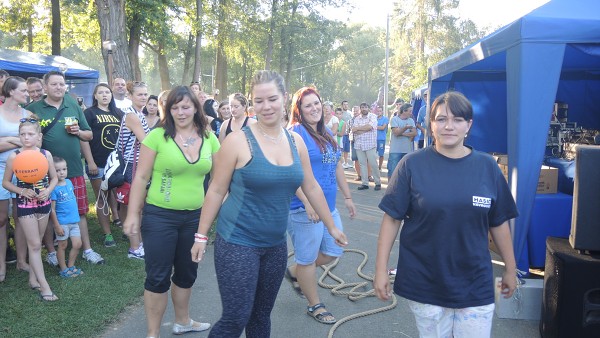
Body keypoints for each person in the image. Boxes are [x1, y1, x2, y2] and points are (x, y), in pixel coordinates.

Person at [190, 70, 348, 337]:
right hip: (238, 241)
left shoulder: (295, 140)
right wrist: (201, 236)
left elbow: (310, 186)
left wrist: (331, 226)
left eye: (272, 99)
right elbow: (216, 190)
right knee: (236, 316)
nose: (266, 107)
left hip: (275, 245)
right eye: (258, 101)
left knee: (261, 317)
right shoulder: (237, 141)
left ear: (284, 99)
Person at [374, 91, 518, 338]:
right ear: (431, 124)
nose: (449, 126)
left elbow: (499, 222)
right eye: (441, 119)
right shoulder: (411, 165)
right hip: (425, 279)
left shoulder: (487, 167)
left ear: (468, 125)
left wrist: (511, 268)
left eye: (458, 119)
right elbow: (392, 219)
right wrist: (380, 270)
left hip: (475, 282)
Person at [122, 85, 218, 337]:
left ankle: (182, 321)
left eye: (186, 106)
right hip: (159, 217)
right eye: (174, 107)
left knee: (187, 272)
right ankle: (153, 333)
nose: (180, 112)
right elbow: (141, 177)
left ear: (196, 107)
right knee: (158, 276)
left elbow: (220, 180)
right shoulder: (157, 136)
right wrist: (133, 214)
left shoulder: (209, 138)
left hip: (195, 219)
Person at [285, 86, 356, 325]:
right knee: (306, 259)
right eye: (308, 105)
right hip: (303, 208)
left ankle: (295, 272)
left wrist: (347, 197)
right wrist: (307, 202)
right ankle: (314, 304)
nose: (314, 108)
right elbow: (290, 173)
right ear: (299, 110)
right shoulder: (295, 133)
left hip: (328, 206)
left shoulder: (326, 132)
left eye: (317, 103)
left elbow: (335, 164)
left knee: (333, 250)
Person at [27, 71, 105, 265]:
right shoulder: (33, 109)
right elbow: (26, 137)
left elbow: (89, 135)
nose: (59, 87)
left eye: (62, 84)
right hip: (43, 172)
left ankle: (87, 249)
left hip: (73, 170)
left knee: (79, 211)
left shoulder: (73, 106)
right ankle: (52, 251)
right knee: (46, 211)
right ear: (45, 87)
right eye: (54, 84)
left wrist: (79, 131)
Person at [2, 116, 58, 301]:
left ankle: (33, 279)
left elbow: (54, 178)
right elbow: (6, 183)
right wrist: (22, 190)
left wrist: (48, 191)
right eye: (22, 134)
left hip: (43, 203)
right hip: (25, 204)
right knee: (34, 245)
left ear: (38, 136)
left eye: (30, 134)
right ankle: (45, 287)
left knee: (38, 241)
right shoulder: (14, 156)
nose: (26, 137)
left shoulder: (45, 154)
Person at [81, 83, 124, 247]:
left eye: (107, 92)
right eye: (101, 92)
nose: (105, 95)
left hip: (116, 164)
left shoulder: (118, 113)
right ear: (95, 96)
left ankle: (118, 219)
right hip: (98, 163)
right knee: (102, 198)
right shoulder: (89, 113)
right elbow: (84, 138)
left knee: (117, 194)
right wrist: (90, 161)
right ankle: (107, 234)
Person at [0, 76, 33, 279]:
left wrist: (6, 140)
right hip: (0, 170)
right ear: (11, 91)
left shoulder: (28, 114)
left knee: (21, 217)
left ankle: (21, 261)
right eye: (23, 90)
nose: (27, 93)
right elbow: (23, 141)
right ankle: (2, 264)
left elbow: (32, 143)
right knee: (1, 219)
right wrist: (16, 140)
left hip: (23, 169)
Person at [118, 81, 150, 260]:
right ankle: (134, 247)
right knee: (135, 206)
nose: (144, 97)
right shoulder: (132, 116)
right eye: (140, 94)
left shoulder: (139, 114)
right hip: (132, 165)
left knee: (137, 206)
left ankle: (137, 241)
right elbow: (146, 141)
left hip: (139, 164)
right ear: (130, 96)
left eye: (145, 94)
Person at [50, 156, 83, 278]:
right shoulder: (53, 188)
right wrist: (57, 225)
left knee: (77, 244)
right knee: (62, 245)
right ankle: (63, 269)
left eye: (64, 169)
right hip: (62, 223)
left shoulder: (69, 182)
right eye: (57, 170)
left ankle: (71, 265)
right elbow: (52, 209)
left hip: (74, 221)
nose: (62, 172)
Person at [352, 102, 381, 190]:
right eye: (362, 107)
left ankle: (378, 183)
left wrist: (359, 128)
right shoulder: (357, 118)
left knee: (373, 164)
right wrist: (365, 129)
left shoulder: (373, 116)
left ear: (368, 108)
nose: (364, 109)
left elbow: (370, 127)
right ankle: (365, 183)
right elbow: (354, 130)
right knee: (362, 164)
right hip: (359, 144)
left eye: (365, 107)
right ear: (360, 109)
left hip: (370, 144)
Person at [387, 103, 416, 177]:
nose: (411, 113)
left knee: (406, 173)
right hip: (395, 151)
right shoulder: (394, 119)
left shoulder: (411, 120)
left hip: (407, 150)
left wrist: (402, 133)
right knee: (393, 171)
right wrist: (405, 128)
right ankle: (391, 188)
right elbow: (396, 132)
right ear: (404, 111)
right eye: (410, 111)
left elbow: (414, 133)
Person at [375, 105, 389, 171]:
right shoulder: (374, 118)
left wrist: (374, 127)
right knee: (372, 154)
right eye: (377, 111)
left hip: (381, 139)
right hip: (373, 139)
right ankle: (374, 167)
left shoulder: (385, 119)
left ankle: (380, 167)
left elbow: (383, 127)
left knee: (381, 154)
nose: (379, 112)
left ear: (382, 111)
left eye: (380, 111)